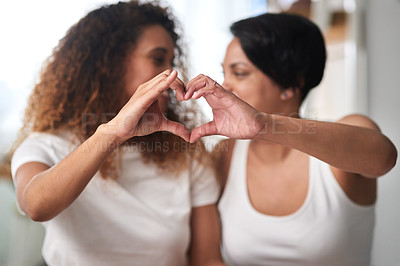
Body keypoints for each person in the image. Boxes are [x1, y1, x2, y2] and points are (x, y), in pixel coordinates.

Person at [11, 1, 223, 265]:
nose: (170, 74)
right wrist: (113, 134)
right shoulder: (46, 145)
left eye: (171, 61)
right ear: (110, 64)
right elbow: (36, 206)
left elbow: (208, 259)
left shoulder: (185, 151)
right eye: (157, 58)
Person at [184, 13, 397, 266]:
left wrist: (264, 125)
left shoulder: (346, 136)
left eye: (239, 73)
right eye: (224, 73)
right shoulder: (225, 154)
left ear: (291, 85)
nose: (225, 86)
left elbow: (384, 157)